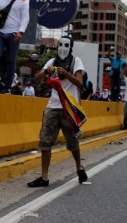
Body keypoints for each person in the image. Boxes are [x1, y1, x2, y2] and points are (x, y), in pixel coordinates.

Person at [27, 35, 88, 187]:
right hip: (53, 106)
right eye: (60, 44)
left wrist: (66, 73)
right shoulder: (52, 61)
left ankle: (79, 167)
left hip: (69, 107)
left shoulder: (76, 61)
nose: (62, 48)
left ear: (70, 47)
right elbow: (37, 77)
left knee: (72, 142)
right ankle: (44, 176)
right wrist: (47, 71)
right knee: (45, 140)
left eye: (66, 45)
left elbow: (79, 82)